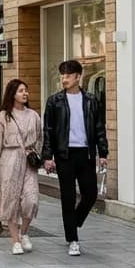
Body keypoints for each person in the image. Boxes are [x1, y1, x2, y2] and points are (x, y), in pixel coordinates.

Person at [41, 59, 108, 257]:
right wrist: (48, 156)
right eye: (62, 75)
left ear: (78, 76)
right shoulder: (55, 101)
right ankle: (72, 239)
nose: (64, 79)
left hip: (85, 153)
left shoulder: (91, 100)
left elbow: (99, 128)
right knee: (68, 197)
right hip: (64, 154)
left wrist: (103, 153)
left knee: (90, 194)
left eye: (68, 75)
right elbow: (48, 131)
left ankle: (74, 222)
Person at [0, 79, 42, 255]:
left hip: (28, 160)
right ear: (12, 93)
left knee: (31, 199)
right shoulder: (3, 117)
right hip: (9, 160)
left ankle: (24, 232)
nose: (25, 93)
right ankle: (15, 241)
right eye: (21, 91)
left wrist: (39, 156)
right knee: (10, 200)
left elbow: (40, 139)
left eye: (26, 90)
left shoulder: (33, 116)